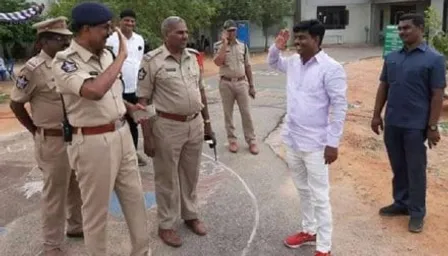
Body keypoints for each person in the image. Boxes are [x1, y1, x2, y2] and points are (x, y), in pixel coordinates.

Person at [51, 3, 150, 255]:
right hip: (93, 143)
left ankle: (142, 251)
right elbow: (94, 91)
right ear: (86, 29)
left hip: (122, 134)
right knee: (96, 213)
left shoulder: (105, 54)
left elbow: (111, 92)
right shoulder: (65, 62)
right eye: (105, 27)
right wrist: (121, 57)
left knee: (135, 200)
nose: (110, 31)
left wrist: (128, 106)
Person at [267, 20, 348, 256]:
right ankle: (309, 230)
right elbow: (273, 62)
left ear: (317, 40)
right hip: (293, 140)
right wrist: (277, 47)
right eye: (296, 37)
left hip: (316, 145)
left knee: (320, 195)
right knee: (302, 189)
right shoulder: (293, 63)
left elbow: (340, 107)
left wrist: (333, 142)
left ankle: (324, 247)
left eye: (303, 38)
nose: (297, 42)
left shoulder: (331, 68)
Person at [137, 16, 215, 248]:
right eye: (179, 32)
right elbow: (142, 101)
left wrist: (207, 123)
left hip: (194, 124)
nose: (185, 36)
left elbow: (200, 91)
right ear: (166, 35)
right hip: (167, 127)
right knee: (166, 178)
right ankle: (166, 225)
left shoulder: (192, 58)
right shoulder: (152, 61)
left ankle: (190, 215)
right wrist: (148, 136)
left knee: (190, 175)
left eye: (186, 32)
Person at [9, 17, 83, 256]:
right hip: (52, 140)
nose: (65, 42)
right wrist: (35, 131)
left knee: (76, 185)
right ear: (43, 41)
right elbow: (16, 104)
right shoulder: (32, 69)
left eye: (66, 38)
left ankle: (76, 226)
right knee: (55, 193)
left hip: (75, 137)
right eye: (59, 38)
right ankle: (52, 243)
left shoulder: (68, 63)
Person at [371, 13, 446, 233]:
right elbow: (383, 86)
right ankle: (401, 203)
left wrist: (432, 126)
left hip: (416, 126)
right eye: (400, 28)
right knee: (398, 167)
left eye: (407, 28)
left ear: (420, 29)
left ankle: (416, 213)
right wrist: (376, 115)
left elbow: (437, 95)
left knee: (415, 170)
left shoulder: (434, 59)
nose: (402, 32)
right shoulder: (392, 57)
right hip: (393, 122)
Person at [106, 9, 147, 166]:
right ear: (120, 21)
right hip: (116, 89)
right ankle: (116, 157)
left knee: (134, 123)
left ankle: (133, 154)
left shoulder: (139, 39)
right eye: (126, 20)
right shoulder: (111, 40)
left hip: (135, 88)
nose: (129, 23)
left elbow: (139, 62)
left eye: (132, 21)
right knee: (117, 123)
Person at [213, 19, 259, 154]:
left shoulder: (243, 46)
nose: (231, 33)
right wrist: (224, 44)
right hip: (226, 83)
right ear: (224, 32)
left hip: (241, 82)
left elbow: (248, 66)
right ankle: (232, 140)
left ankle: (251, 141)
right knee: (228, 114)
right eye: (229, 31)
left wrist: (251, 85)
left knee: (246, 113)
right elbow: (217, 62)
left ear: (236, 31)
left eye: (233, 30)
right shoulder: (218, 46)